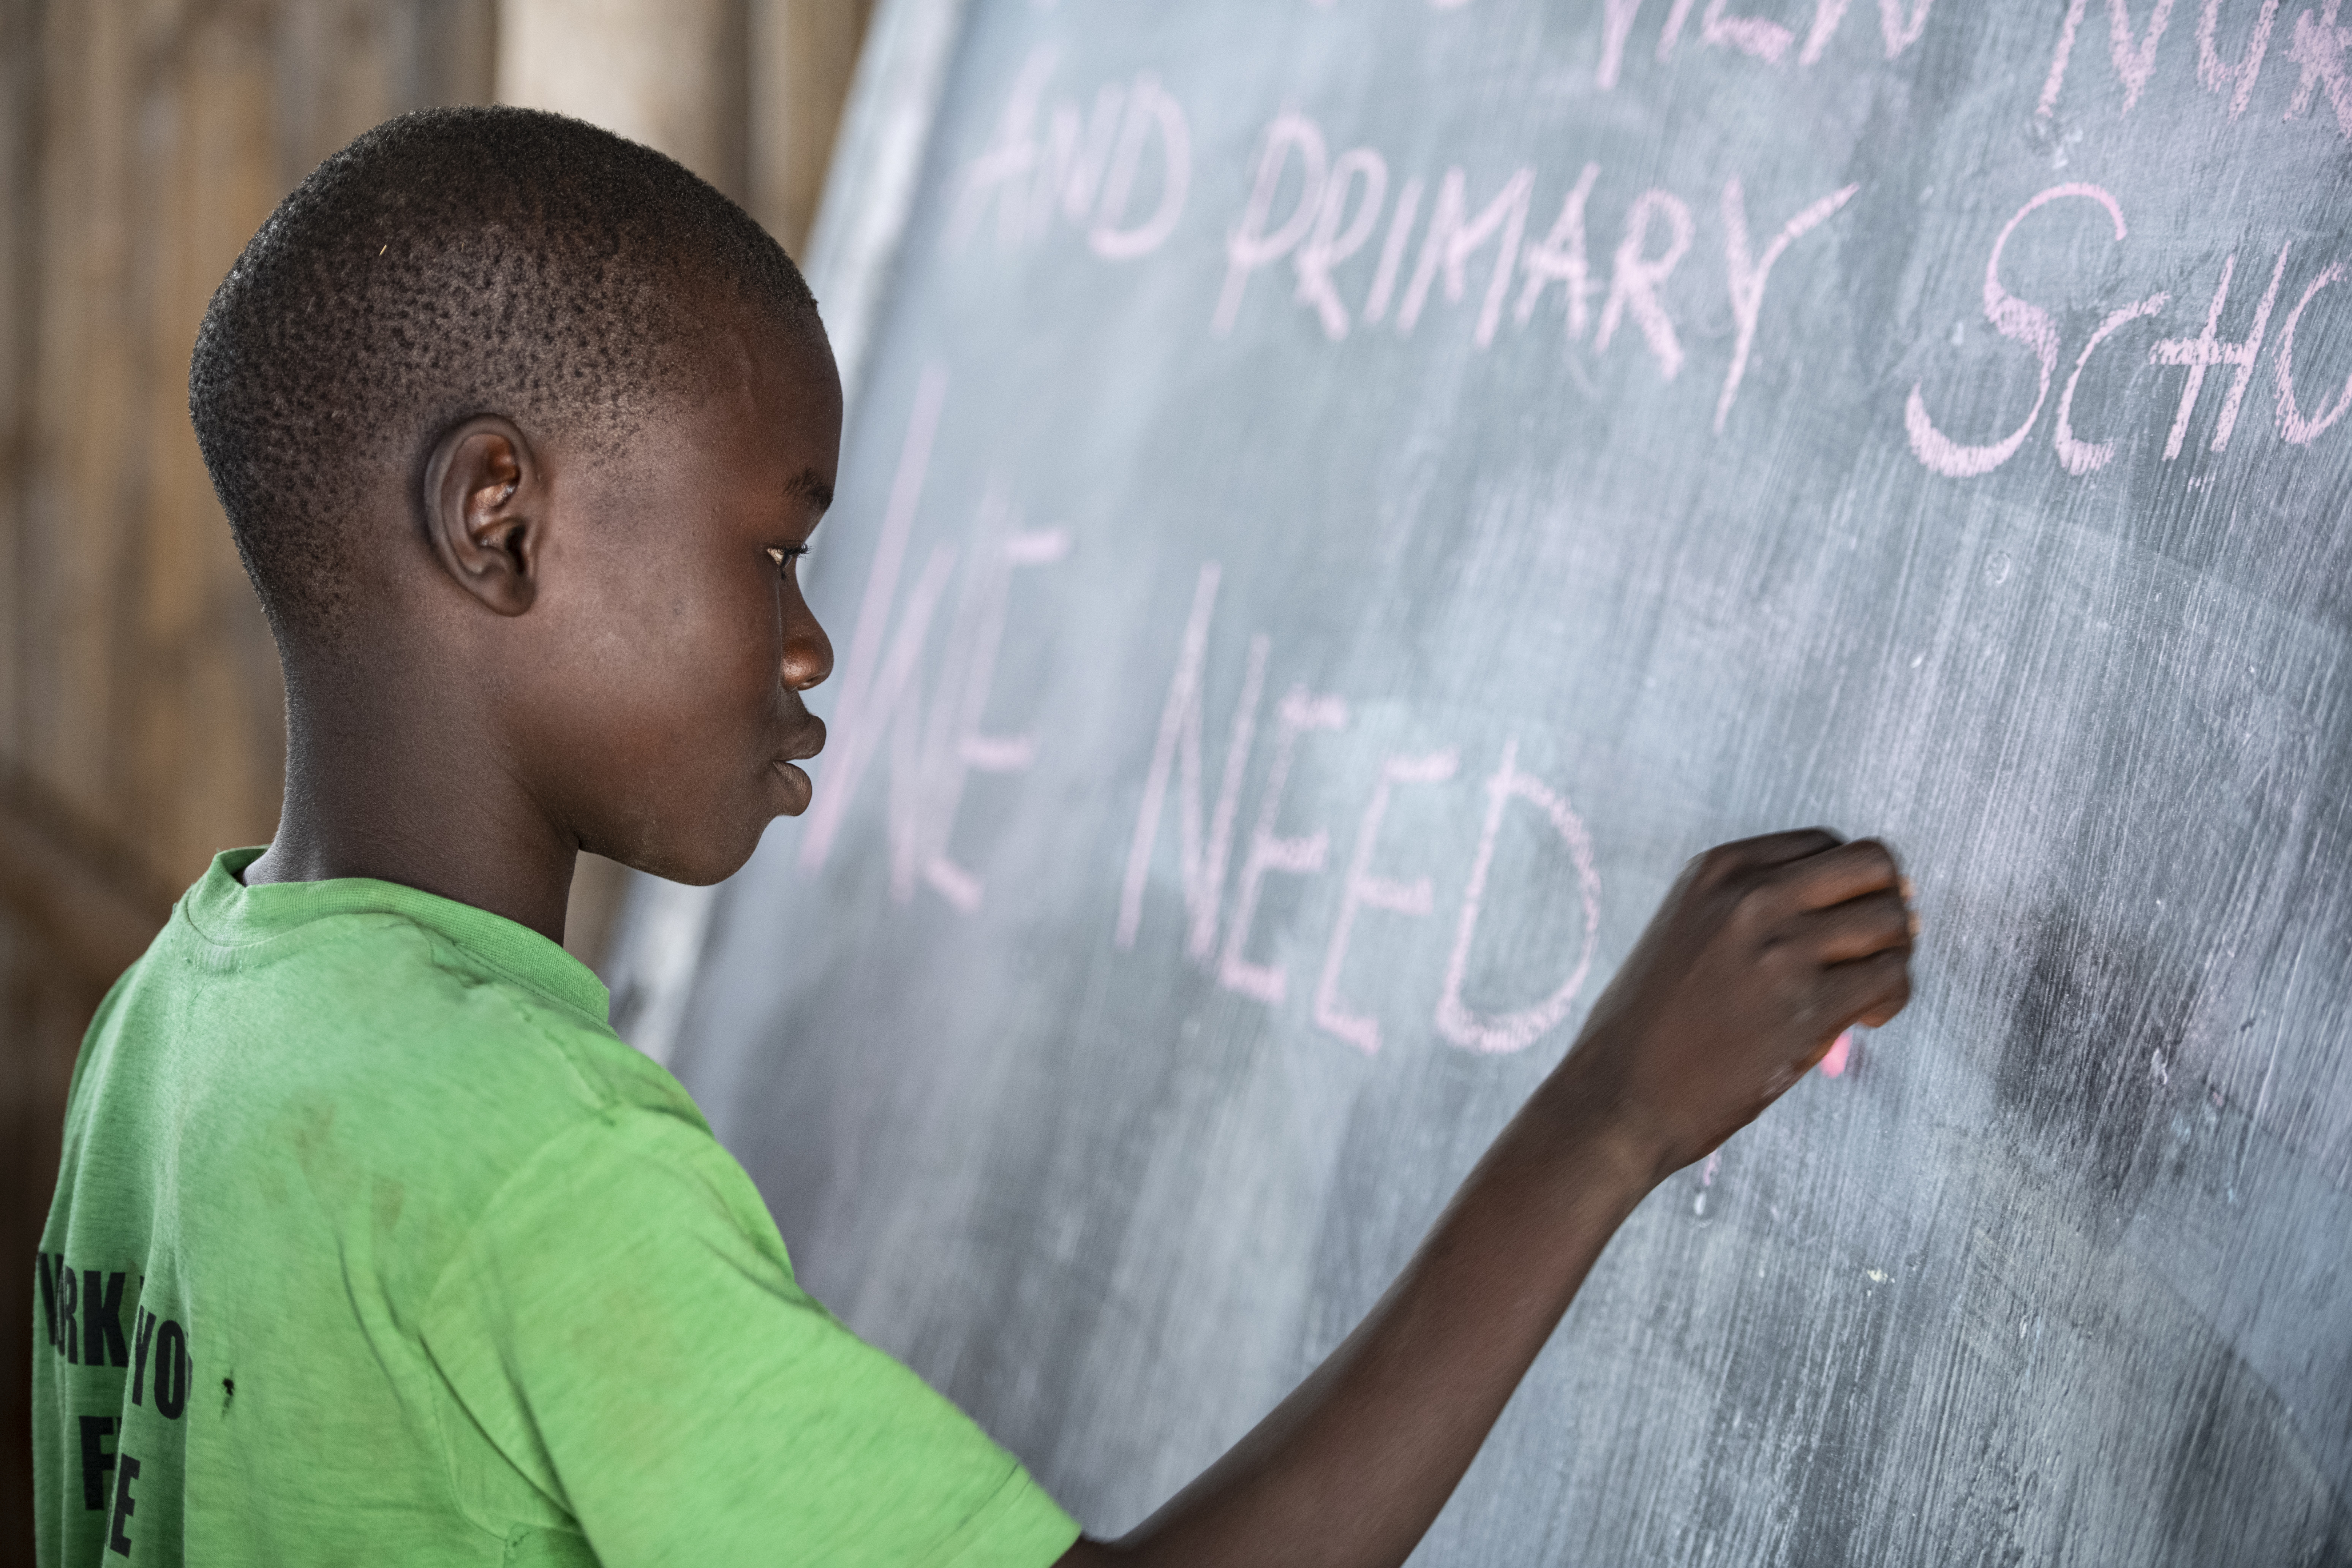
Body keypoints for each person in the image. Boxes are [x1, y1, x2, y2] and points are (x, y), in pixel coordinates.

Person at [32, 106, 1916, 1567]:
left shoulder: (175, 1023)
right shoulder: (524, 1156)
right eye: (772, 542)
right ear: (501, 521)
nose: (809, 637)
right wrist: (1611, 1123)